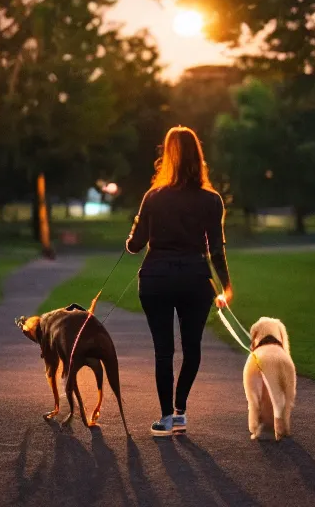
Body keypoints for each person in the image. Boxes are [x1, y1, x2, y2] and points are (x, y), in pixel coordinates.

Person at [126, 126, 233, 436]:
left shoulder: (153, 197)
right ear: (198, 157)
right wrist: (226, 286)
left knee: (163, 351)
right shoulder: (211, 200)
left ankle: (165, 418)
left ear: (168, 156)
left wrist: (133, 232)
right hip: (195, 280)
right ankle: (180, 411)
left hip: (156, 278)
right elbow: (216, 249)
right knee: (192, 348)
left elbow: (135, 246)